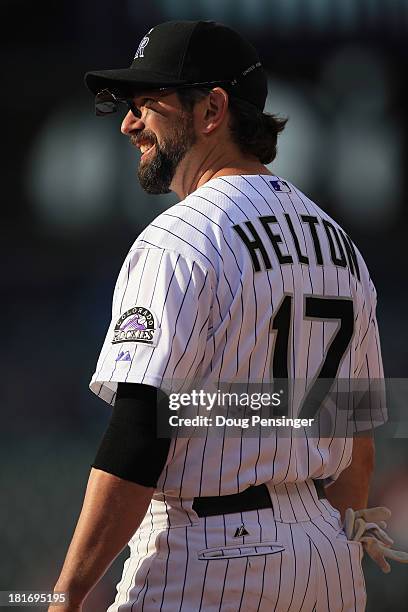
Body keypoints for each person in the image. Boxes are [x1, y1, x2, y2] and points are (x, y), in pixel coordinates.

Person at [50, 20, 390, 612]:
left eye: (147, 105)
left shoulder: (178, 239)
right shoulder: (340, 245)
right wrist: (326, 553)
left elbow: (139, 434)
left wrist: (66, 595)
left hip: (205, 558)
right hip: (325, 557)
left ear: (212, 110)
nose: (130, 125)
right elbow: (357, 439)